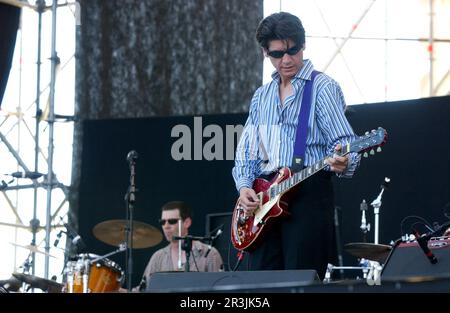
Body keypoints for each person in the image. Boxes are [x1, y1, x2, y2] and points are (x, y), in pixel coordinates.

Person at [232, 12, 360, 279]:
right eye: (278, 54)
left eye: (293, 50)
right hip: (264, 198)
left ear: (303, 46)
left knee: (300, 280)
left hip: (307, 192)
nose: (287, 60)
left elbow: (345, 142)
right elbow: (247, 150)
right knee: (260, 285)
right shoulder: (261, 96)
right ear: (266, 52)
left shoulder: (322, 87)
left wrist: (344, 159)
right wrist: (245, 186)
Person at [141, 201, 223, 287]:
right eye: (162, 222)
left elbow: (220, 288)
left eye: (172, 221)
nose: (166, 226)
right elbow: (143, 289)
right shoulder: (158, 257)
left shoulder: (210, 253)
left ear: (187, 222)